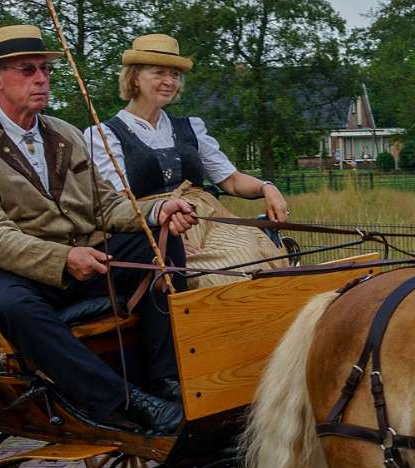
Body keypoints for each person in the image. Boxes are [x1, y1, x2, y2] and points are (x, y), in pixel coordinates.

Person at [0, 24, 200, 435]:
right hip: (5, 270)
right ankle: (125, 403)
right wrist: (62, 258)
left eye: (45, 69)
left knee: (161, 247)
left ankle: (166, 379)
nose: (41, 79)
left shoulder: (65, 134)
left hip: (81, 257)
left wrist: (157, 211)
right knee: (16, 308)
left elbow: (106, 205)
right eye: (28, 70)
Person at [84, 33, 291, 287]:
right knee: (221, 276)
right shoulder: (104, 135)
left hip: (210, 220)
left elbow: (231, 181)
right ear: (134, 76)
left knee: (268, 258)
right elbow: (118, 204)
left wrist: (267, 187)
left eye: (175, 74)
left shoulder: (190, 128)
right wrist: (162, 241)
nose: (169, 81)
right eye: (159, 73)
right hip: (160, 229)